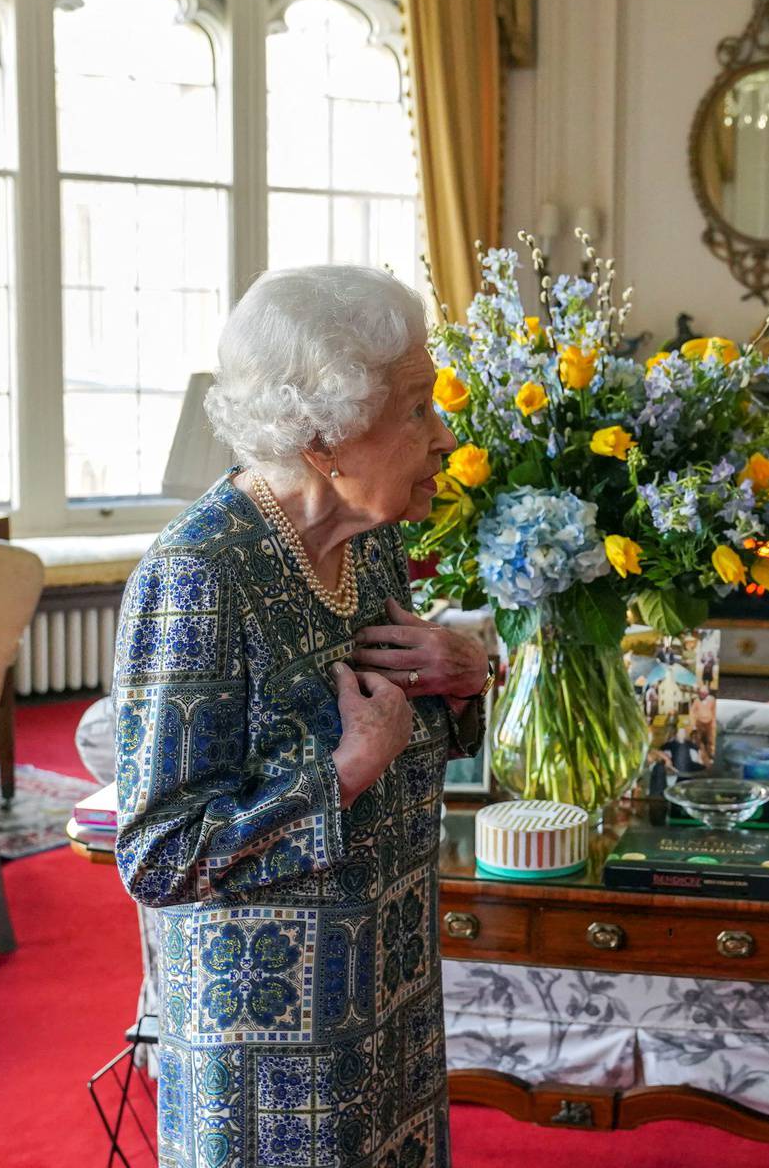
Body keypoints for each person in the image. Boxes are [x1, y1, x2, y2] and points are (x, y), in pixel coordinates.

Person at [113, 265, 493, 1168]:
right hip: (272, 1061)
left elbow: (411, 723)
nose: (442, 436)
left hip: (388, 1003)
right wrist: (343, 771)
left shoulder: (371, 537)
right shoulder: (200, 576)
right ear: (326, 434)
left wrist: (468, 674)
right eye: (415, 408)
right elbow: (158, 854)